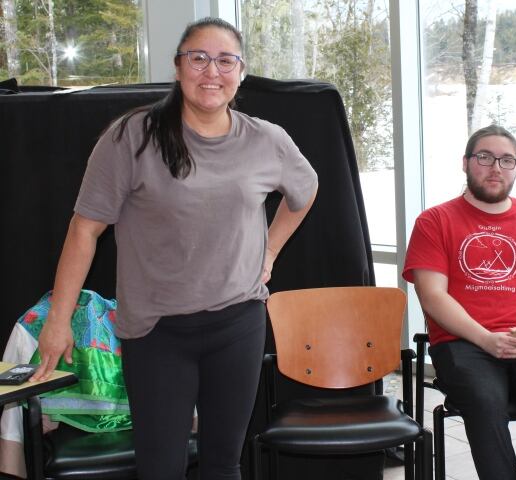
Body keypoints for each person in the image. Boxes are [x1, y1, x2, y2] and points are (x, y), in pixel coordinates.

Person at [29, 17, 318, 479]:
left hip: (238, 324)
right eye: (198, 58)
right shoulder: (131, 137)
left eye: (226, 60)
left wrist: (269, 252)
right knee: (161, 468)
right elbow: (84, 230)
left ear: (241, 73)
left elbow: (306, 191)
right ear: (178, 67)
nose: (211, 71)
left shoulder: (267, 140)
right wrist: (58, 321)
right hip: (156, 333)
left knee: (223, 464)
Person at [402, 125, 516, 480]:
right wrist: (485, 338)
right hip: (464, 341)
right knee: (484, 399)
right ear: (466, 163)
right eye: (484, 157)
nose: (495, 167)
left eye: (506, 160)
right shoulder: (434, 221)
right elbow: (432, 295)